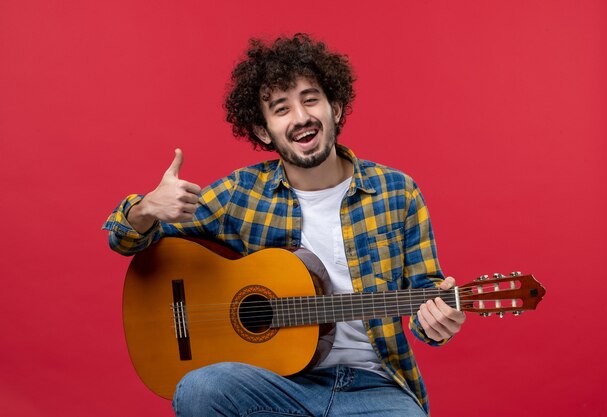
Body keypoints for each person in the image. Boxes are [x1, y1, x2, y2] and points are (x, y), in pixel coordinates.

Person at [103, 33, 466, 417]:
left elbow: (427, 299)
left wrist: (437, 322)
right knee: (201, 387)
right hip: (276, 386)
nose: (301, 118)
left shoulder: (397, 192)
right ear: (263, 131)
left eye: (311, 99)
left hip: (374, 387)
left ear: (336, 108)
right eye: (281, 108)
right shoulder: (241, 194)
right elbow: (125, 241)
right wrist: (146, 210)